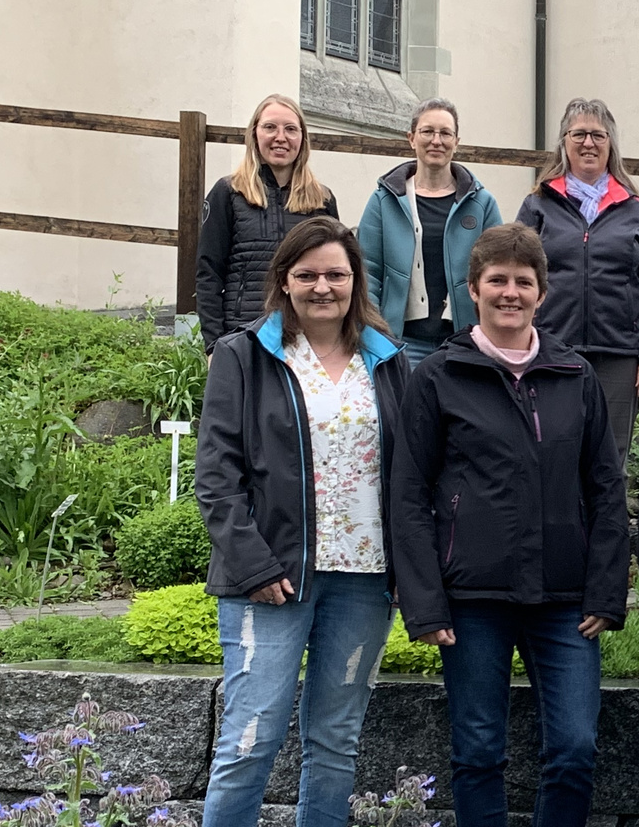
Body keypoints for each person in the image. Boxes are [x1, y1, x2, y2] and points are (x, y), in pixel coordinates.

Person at [388, 223, 631, 827]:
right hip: (472, 599)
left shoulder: (574, 377)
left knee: (574, 749)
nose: (510, 293)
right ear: (473, 288)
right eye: (497, 280)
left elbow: (605, 488)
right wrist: (424, 602)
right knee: (477, 753)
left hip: (566, 599)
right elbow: (409, 494)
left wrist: (606, 588)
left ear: (542, 294)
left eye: (524, 282)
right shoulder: (439, 376)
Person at [194, 216, 409, 827]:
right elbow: (216, 476)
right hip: (272, 580)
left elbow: (414, 471)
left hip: (366, 580)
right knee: (250, 739)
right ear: (283, 281)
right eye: (307, 274)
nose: (323, 286)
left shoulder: (387, 360)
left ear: (355, 280)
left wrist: (412, 570)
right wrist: (253, 565)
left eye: (335, 274)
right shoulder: (244, 355)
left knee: (336, 744)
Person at [517, 98, 639, 458]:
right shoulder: (538, 206)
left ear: (610, 145)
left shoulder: (637, 211)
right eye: (579, 135)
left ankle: (610, 519)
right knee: (552, 454)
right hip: (551, 349)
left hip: (619, 356)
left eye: (598, 135)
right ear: (564, 142)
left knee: (609, 460)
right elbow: (518, 277)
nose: (588, 143)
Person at [358, 97, 504, 366]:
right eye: (427, 132)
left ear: (456, 142)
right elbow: (367, 273)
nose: (436, 140)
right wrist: (375, 333)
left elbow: (498, 273)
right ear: (412, 138)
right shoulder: (383, 201)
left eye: (445, 133)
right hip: (401, 343)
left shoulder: (482, 205)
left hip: (466, 341)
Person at [197, 93, 340, 351]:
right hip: (243, 334)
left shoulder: (322, 200)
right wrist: (213, 344)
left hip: (305, 336)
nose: (280, 137)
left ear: (302, 139)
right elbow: (209, 274)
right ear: (254, 134)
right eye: (270, 127)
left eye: (290, 129)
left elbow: (334, 275)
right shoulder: (228, 193)